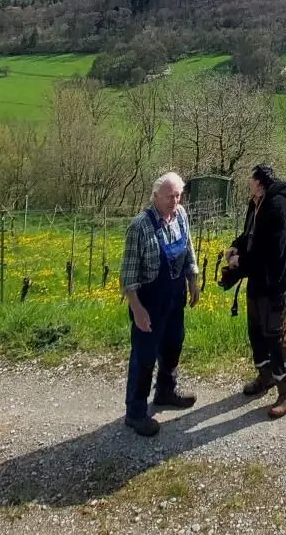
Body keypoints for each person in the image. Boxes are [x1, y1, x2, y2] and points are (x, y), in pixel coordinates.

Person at [119, 171, 201, 437]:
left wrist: (193, 280)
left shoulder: (181, 216)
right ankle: (135, 412)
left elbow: (188, 249)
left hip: (175, 298)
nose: (174, 201)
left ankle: (166, 391)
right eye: (169, 196)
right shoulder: (140, 226)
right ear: (155, 196)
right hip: (150, 302)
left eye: (178, 196)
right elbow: (128, 276)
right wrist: (137, 308)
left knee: (173, 345)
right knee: (144, 356)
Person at [226, 163, 286, 418]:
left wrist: (241, 263)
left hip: (274, 282)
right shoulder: (256, 203)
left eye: (251, 180)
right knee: (256, 331)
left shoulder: (276, 207)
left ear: (260, 183)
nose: (248, 183)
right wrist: (236, 247)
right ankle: (265, 376)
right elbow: (251, 236)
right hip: (257, 279)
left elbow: (271, 253)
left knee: (275, 334)